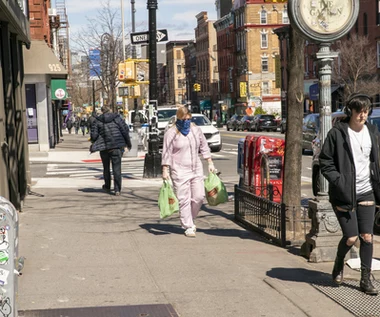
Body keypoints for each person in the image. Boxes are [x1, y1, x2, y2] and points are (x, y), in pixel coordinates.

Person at [319, 93, 379, 295]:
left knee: (367, 237)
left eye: (366, 111)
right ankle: (338, 264)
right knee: (351, 237)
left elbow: (374, 160)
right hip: (344, 193)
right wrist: (339, 181)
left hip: (366, 191)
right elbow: (325, 161)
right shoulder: (337, 133)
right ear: (350, 111)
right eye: (359, 111)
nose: (363, 115)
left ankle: (365, 279)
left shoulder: (371, 131)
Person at [161, 106, 216, 237]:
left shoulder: (195, 130)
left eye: (188, 119)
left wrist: (209, 162)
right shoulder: (171, 133)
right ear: (178, 118)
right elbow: (166, 151)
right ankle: (188, 225)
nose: (186, 122)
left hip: (196, 167)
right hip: (179, 169)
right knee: (183, 199)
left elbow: (204, 146)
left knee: (199, 197)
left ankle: (189, 218)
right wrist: (165, 169)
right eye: (184, 119)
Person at [90, 105, 132, 196]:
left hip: (104, 147)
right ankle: (117, 189)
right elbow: (125, 131)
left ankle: (107, 186)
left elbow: (94, 136)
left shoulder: (97, 121)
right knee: (117, 168)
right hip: (116, 146)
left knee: (106, 167)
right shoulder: (117, 118)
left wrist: (94, 141)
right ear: (110, 110)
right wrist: (128, 143)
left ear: (102, 111)